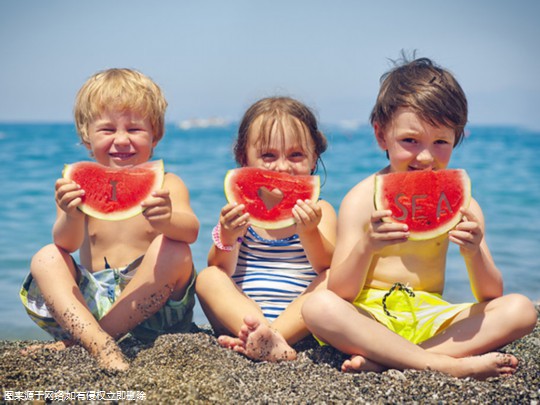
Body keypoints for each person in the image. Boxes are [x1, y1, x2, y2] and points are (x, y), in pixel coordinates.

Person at [302, 56, 537, 379]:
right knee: (318, 307)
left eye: (440, 142)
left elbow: (489, 294)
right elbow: (341, 291)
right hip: (370, 319)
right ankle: (445, 364)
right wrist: (367, 246)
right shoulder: (360, 199)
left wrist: (473, 251)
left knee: (520, 309)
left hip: (431, 317)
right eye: (410, 141)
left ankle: (396, 360)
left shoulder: (463, 203)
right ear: (381, 135)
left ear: (457, 138)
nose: (425, 157)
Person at [20, 68, 200, 371]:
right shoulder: (75, 186)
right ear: (87, 138)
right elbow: (66, 243)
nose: (121, 140)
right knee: (47, 257)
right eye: (107, 130)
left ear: (155, 135)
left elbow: (191, 230)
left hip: (154, 308)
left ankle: (87, 342)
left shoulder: (168, 182)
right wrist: (71, 212)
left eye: (134, 129)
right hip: (91, 305)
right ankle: (98, 341)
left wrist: (168, 220)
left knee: (176, 249)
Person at [195, 96, 337, 362]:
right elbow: (221, 267)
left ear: (314, 158)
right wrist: (227, 236)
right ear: (243, 157)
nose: (282, 166)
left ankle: (271, 337)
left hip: (300, 327)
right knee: (208, 277)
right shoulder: (239, 210)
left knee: (333, 279)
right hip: (243, 320)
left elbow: (327, 265)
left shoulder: (321, 210)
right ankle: (260, 338)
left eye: (296, 155)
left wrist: (309, 232)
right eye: (268, 156)